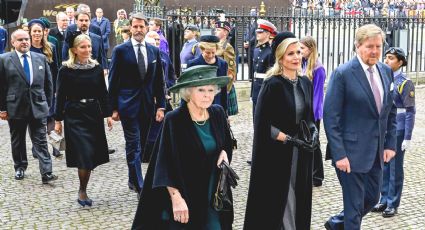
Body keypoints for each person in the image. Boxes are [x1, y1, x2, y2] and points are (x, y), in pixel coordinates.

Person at [132, 65, 234, 229]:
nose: (207, 95)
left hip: (214, 194)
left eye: (210, 90)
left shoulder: (218, 113)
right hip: (186, 194)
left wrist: (224, 152)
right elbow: (164, 162)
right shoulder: (175, 119)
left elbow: (226, 144)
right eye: (201, 90)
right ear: (188, 92)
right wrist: (176, 198)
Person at [323, 24, 397, 230]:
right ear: (357, 46)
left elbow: (390, 112)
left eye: (378, 46)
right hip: (350, 153)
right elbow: (331, 118)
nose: (374, 51)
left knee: (373, 198)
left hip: (377, 152)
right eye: (369, 46)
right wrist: (339, 154)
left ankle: (336, 224)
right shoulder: (342, 74)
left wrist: (390, 144)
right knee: (354, 207)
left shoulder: (385, 72)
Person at [244, 37, 317, 229]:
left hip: (301, 154)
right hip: (277, 154)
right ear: (280, 57)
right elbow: (263, 124)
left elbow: (308, 117)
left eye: (298, 52)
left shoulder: (305, 83)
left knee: (298, 195)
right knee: (283, 198)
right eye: (290, 53)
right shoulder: (272, 85)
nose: (296, 57)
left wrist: (314, 131)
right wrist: (290, 140)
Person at [108, 12, 166, 196]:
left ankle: (133, 179)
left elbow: (159, 81)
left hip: (147, 106)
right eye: (135, 26)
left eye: (142, 27)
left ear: (147, 28)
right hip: (127, 106)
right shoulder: (120, 51)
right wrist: (113, 109)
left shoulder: (153, 51)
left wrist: (161, 106)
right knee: (134, 145)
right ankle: (139, 185)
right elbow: (113, 81)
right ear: (130, 28)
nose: (139, 30)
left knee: (140, 144)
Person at [54, 33, 112, 207]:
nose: (87, 50)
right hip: (74, 115)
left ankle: (83, 187)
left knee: (91, 156)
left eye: (89, 47)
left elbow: (103, 93)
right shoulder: (65, 70)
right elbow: (60, 96)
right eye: (83, 47)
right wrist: (58, 120)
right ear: (74, 50)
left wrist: (108, 115)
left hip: (93, 114)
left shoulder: (96, 68)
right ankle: (82, 190)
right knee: (84, 154)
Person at [0, 29, 58, 184]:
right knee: (17, 140)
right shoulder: (4, 59)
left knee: (40, 140)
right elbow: (1, 86)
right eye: (20, 40)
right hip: (15, 107)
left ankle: (46, 172)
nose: (24, 42)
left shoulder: (40, 58)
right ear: (13, 43)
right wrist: (2, 108)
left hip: (38, 106)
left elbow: (48, 84)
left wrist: (48, 105)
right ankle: (20, 167)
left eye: (26, 39)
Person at [371, 47, 415, 218]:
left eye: (391, 58)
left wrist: (408, 136)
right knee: (384, 164)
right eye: (386, 57)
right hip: (385, 128)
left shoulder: (405, 82)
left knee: (396, 168)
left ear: (400, 62)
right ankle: (383, 199)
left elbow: (410, 111)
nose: (386, 60)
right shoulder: (383, 77)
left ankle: (393, 202)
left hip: (398, 128)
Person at [28, 19, 61, 158]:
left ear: (43, 32)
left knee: (50, 117)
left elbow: (57, 69)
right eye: (34, 31)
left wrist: (56, 89)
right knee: (35, 120)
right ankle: (37, 147)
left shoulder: (51, 47)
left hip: (49, 89)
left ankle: (55, 145)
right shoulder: (26, 48)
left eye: (39, 31)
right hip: (32, 91)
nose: (37, 33)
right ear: (30, 32)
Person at [142, 32, 176, 163]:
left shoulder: (164, 56)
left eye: (157, 40)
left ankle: (165, 150)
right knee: (151, 128)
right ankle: (147, 153)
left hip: (164, 95)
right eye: (152, 41)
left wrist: (168, 89)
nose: (156, 43)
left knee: (167, 122)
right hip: (150, 97)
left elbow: (171, 74)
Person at [300, 35, 327, 187]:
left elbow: (318, 95)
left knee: (314, 143)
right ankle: (308, 172)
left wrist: (313, 114)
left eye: (302, 48)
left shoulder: (318, 68)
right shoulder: (303, 64)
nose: (299, 51)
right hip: (303, 109)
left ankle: (317, 175)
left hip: (313, 112)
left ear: (310, 49)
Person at [187, 35, 228, 112]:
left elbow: (223, 89)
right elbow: (187, 89)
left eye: (213, 52)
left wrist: (225, 112)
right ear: (202, 50)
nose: (211, 55)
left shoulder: (223, 64)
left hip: (217, 106)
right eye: (207, 52)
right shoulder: (193, 64)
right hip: (198, 106)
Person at [251, 19, 277, 116]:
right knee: (255, 116)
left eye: (260, 32)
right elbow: (254, 74)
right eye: (257, 32)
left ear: (267, 34)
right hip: (256, 88)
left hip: (265, 88)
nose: (257, 34)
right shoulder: (256, 50)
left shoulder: (271, 52)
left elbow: (272, 74)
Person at [215, 20, 238, 116]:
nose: (215, 31)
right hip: (216, 82)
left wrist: (227, 90)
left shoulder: (227, 47)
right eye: (215, 29)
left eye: (218, 29)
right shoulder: (215, 45)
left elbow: (231, 70)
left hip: (224, 85)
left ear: (225, 32)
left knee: (224, 115)